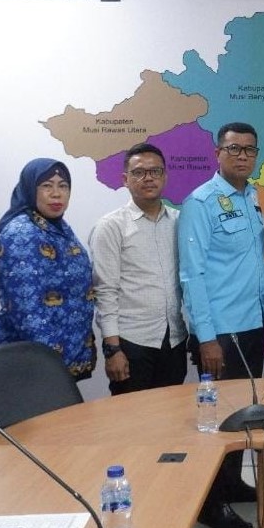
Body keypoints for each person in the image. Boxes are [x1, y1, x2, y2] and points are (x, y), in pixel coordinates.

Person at [179, 122, 264, 528]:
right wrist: (207, 338)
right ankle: (210, 502)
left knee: (240, 414)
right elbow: (192, 275)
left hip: (252, 323)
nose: (242, 156)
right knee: (214, 420)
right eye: (234, 149)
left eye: (249, 149)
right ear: (218, 153)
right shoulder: (200, 202)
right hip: (221, 332)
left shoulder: (251, 197)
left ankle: (231, 482)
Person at [90, 143, 188, 396]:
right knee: (132, 418)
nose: (148, 178)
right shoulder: (111, 226)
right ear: (125, 179)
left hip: (174, 339)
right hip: (131, 343)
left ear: (165, 176)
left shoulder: (179, 222)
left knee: (173, 414)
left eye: (155, 171)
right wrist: (113, 349)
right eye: (139, 172)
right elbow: (105, 291)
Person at [0, 158, 95, 380]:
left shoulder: (59, 227)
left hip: (62, 356)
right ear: (29, 189)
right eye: (46, 186)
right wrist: (53, 364)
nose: (56, 194)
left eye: (63, 186)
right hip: (30, 364)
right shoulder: (21, 233)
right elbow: (28, 311)